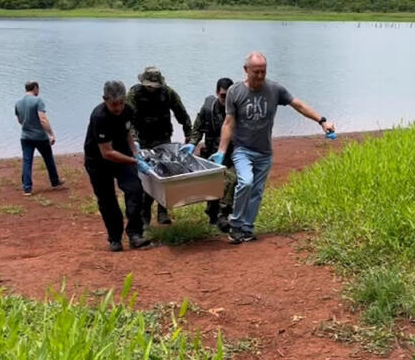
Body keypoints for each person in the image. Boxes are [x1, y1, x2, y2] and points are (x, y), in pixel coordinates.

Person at [210, 52, 336, 244]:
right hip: (242, 149)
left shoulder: (275, 89)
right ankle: (235, 225)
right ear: (246, 70)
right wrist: (221, 151)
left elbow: (298, 104)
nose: (260, 76)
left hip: (264, 152)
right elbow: (228, 123)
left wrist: (322, 121)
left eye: (263, 71)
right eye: (256, 72)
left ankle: (247, 229)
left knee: (257, 191)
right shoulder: (235, 92)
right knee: (245, 182)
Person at [84, 80, 152, 252]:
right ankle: (115, 238)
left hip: (122, 155)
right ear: (105, 99)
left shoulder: (128, 110)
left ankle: (135, 233)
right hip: (98, 161)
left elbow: (127, 132)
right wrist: (135, 162)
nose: (118, 108)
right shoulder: (99, 116)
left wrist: (136, 152)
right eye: (114, 104)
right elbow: (107, 152)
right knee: (107, 200)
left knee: (135, 189)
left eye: (121, 103)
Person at [127, 66, 192, 226]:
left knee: (165, 173)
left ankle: (163, 211)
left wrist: (188, 134)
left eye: (154, 86)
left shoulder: (168, 93)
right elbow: (127, 119)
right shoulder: (134, 94)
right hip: (142, 140)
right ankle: (145, 213)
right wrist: (134, 141)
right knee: (147, 175)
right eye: (148, 85)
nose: (151, 88)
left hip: (163, 138)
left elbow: (181, 113)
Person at [185, 77, 236, 232]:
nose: (225, 99)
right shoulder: (208, 109)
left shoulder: (237, 110)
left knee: (231, 179)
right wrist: (192, 144)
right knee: (212, 185)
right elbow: (197, 129)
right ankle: (213, 214)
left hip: (232, 155)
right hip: (212, 155)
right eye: (222, 96)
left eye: (228, 96)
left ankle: (223, 214)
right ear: (217, 93)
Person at [14, 81, 65, 196]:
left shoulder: (18, 103)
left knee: (27, 161)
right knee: (48, 159)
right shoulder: (38, 101)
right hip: (40, 137)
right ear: (35, 88)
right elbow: (43, 119)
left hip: (25, 137)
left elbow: (20, 120)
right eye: (38, 88)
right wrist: (51, 134)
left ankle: (27, 188)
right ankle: (55, 182)